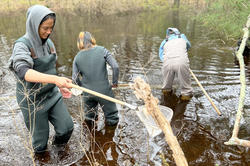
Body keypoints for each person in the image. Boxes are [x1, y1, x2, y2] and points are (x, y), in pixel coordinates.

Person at [8, 5, 74, 154]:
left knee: (66, 128)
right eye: (45, 28)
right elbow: (24, 72)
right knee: (40, 145)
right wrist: (55, 79)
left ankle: (59, 155)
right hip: (32, 101)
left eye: (51, 28)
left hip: (51, 95)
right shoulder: (21, 45)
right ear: (34, 25)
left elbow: (51, 69)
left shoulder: (49, 44)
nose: (49, 32)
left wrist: (60, 86)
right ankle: (42, 159)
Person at [72, 31, 119, 127]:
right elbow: (115, 67)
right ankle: (109, 138)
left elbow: (75, 79)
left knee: (89, 118)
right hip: (104, 91)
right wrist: (114, 83)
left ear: (79, 42)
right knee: (112, 117)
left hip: (87, 93)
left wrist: (83, 88)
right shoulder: (102, 50)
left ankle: (91, 138)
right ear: (91, 39)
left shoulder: (77, 58)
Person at [159, 27, 193, 100]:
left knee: (166, 87)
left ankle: (166, 98)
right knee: (186, 89)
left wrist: (169, 61)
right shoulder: (182, 37)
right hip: (181, 61)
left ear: (168, 34)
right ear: (178, 33)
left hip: (167, 62)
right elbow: (188, 46)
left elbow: (161, 56)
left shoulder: (165, 41)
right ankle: (185, 100)